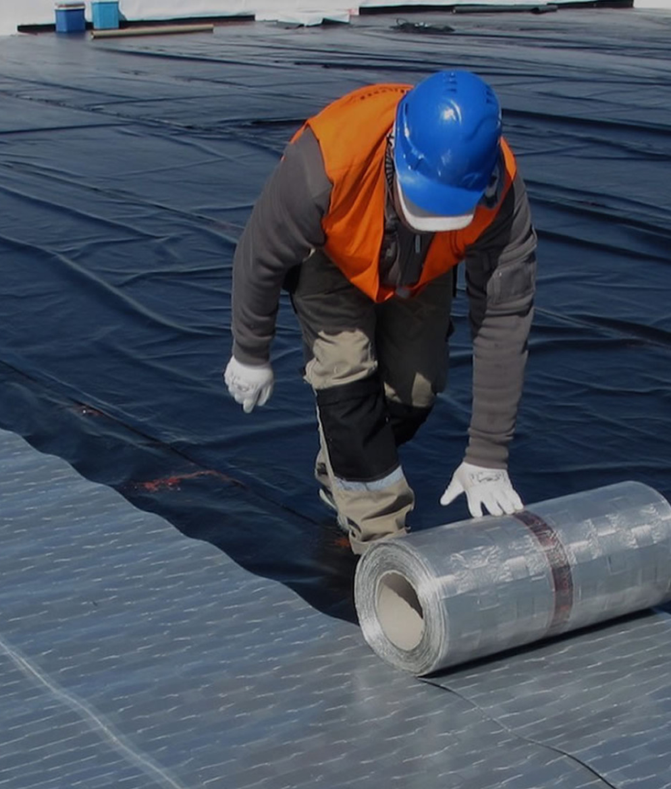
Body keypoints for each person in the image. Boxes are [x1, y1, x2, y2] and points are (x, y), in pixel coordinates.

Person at [224, 69, 537, 554]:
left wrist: (488, 455)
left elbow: (503, 317)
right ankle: (381, 545)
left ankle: (343, 464)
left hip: (424, 269)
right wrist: (250, 350)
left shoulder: (502, 196)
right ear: (396, 150)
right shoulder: (326, 160)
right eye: (424, 203)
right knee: (346, 377)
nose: (433, 217)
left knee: (415, 390)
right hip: (333, 252)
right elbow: (260, 253)